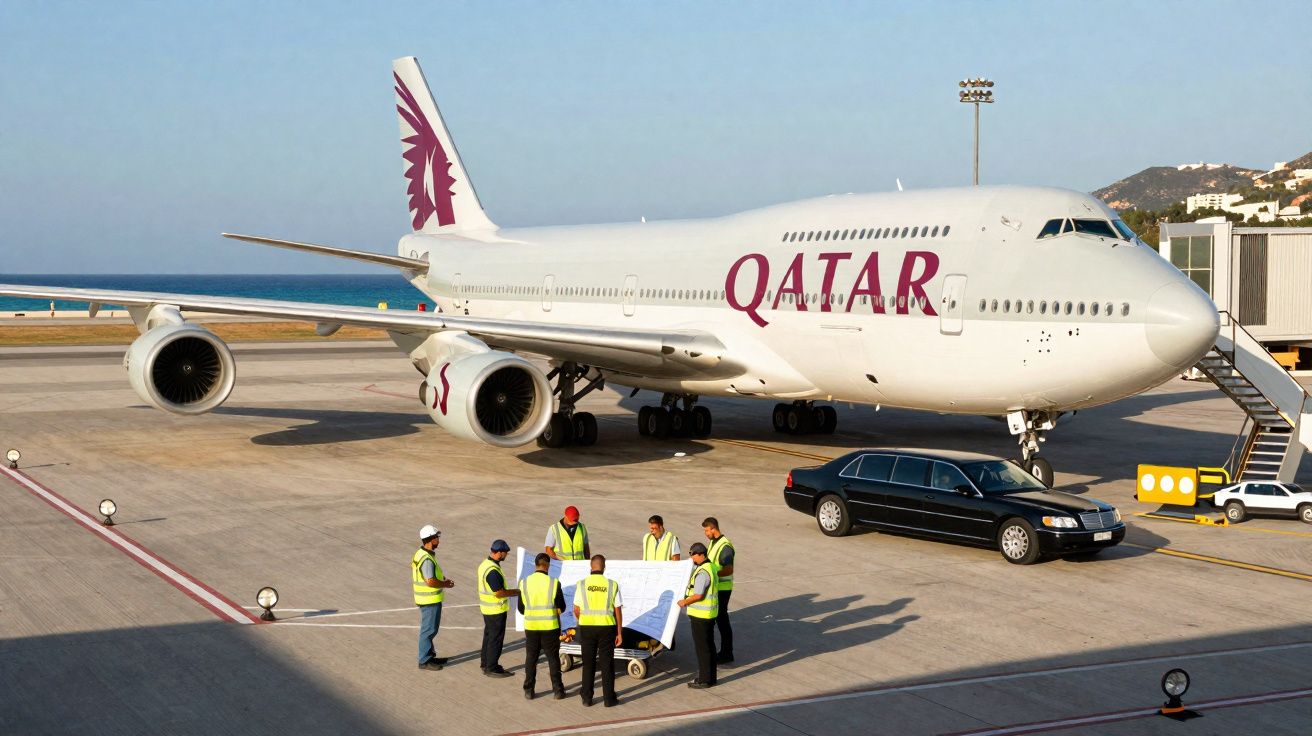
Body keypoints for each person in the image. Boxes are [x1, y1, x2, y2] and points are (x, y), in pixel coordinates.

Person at [572, 554, 623, 707]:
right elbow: (618, 610)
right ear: (604, 567)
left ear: (590, 566)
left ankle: (587, 698)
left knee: (588, 663)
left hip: (587, 628)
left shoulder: (581, 584)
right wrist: (619, 632)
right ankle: (609, 699)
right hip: (607, 628)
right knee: (607, 664)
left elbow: (576, 609)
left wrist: (584, 620)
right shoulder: (612, 585)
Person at [518, 552, 567, 700]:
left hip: (531, 626)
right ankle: (558, 690)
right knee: (553, 658)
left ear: (535, 565)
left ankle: (529, 690)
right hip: (550, 627)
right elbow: (562, 607)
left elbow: (521, 609)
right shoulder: (554, 583)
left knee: (531, 658)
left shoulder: (524, 583)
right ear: (548, 566)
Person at [412, 524, 455, 670]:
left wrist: (442, 579)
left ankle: (430, 656)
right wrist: (445, 584)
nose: (438, 540)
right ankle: (424, 660)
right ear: (431, 539)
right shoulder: (426, 559)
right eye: (437, 537)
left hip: (427, 599)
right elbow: (430, 581)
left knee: (430, 629)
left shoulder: (421, 553)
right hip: (429, 600)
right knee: (429, 630)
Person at [677, 542, 718, 688]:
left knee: (702, 649)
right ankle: (711, 677)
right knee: (709, 647)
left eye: (693, 554)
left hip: (700, 616)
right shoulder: (711, 567)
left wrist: (685, 601)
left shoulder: (702, 572)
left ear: (701, 554)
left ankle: (704, 680)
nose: (691, 558)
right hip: (709, 614)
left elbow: (698, 595)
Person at [477, 539, 519, 678]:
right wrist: (516, 592)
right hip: (496, 610)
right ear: (499, 552)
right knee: (496, 639)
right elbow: (499, 593)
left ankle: (485, 663)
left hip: (487, 609)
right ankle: (492, 667)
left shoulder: (485, 564)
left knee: (489, 637)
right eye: (505, 552)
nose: (506, 555)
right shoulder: (492, 571)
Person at [702, 517, 735, 663]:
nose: (705, 533)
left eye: (706, 530)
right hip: (716, 588)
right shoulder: (713, 542)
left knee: (722, 621)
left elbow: (728, 569)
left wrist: (712, 574)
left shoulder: (725, 546)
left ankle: (727, 653)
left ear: (713, 528)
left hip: (723, 589)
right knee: (720, 619)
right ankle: (725, 652)